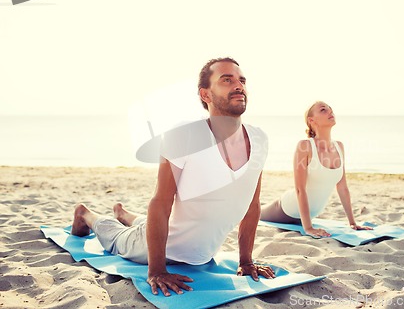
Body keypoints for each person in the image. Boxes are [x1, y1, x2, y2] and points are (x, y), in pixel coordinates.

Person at [71, 57, 275, 297]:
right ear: (205, 95)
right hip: (156, 249)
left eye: (241, 80)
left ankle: (123, 213)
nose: (238, 85)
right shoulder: (184, 135)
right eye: (226, 80)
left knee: (148, 223)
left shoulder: (259, 138)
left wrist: (246, 261)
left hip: (197, 251)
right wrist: (156, 270)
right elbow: (160, 202)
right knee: (117, 239)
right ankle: (86, 214)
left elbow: (252, 204)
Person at [260, 101, 372, 237]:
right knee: (254, 213)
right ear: (311, 120)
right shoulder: (305, 146)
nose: (330, 112)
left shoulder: (339, 146)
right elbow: (299, 189)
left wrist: (352, 223)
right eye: (324, 110)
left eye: (331, 109)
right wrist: (308, 228)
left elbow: (342, 188)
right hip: (288, 209)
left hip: (311, 214)